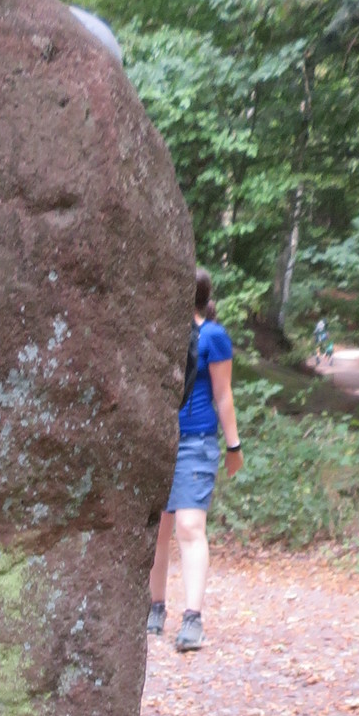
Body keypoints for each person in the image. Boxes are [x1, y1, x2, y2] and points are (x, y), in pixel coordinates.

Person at [148, 270, 240, 652]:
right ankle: (155, 608)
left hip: (196, 441)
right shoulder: (160, 331)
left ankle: (192, 619)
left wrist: (233, 446)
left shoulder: (213, 336)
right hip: (160, 440)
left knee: (189, 525)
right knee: (158, 529)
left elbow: (223, 394)